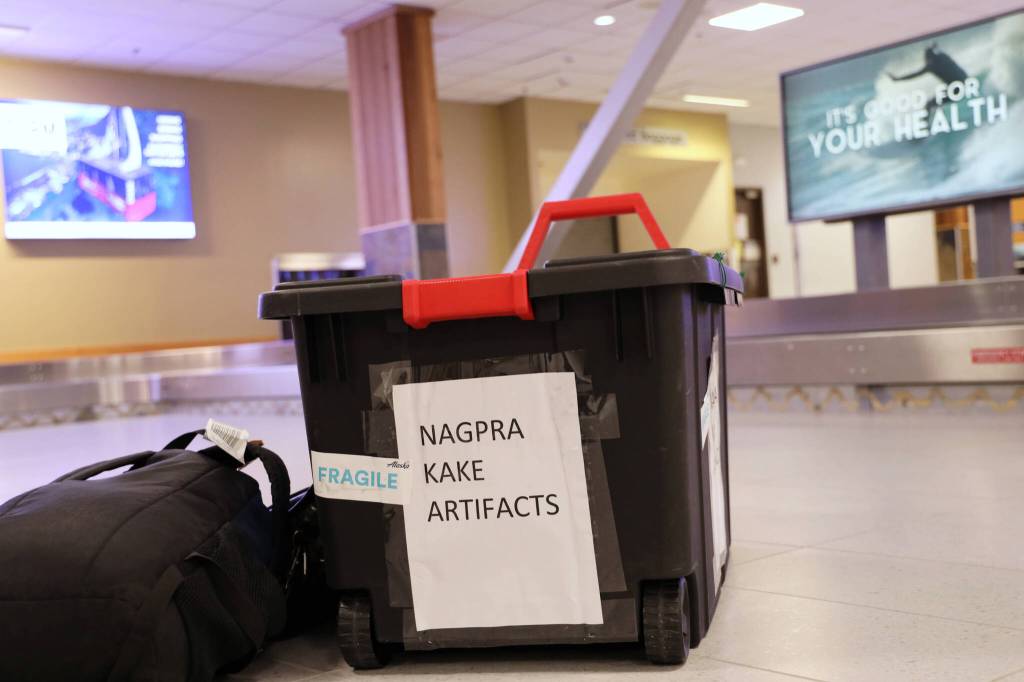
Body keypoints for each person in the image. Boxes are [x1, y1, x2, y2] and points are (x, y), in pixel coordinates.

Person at [887, 42, 968, 85]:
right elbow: (935, 48)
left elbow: (914, 75)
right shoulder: (943, 56)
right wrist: (932, 47)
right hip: (965, 80)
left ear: (929, 58)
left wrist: (897, 79)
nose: (925, 61)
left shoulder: (931, 66)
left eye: (926, 59)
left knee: (929, 105)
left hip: (956, 87)